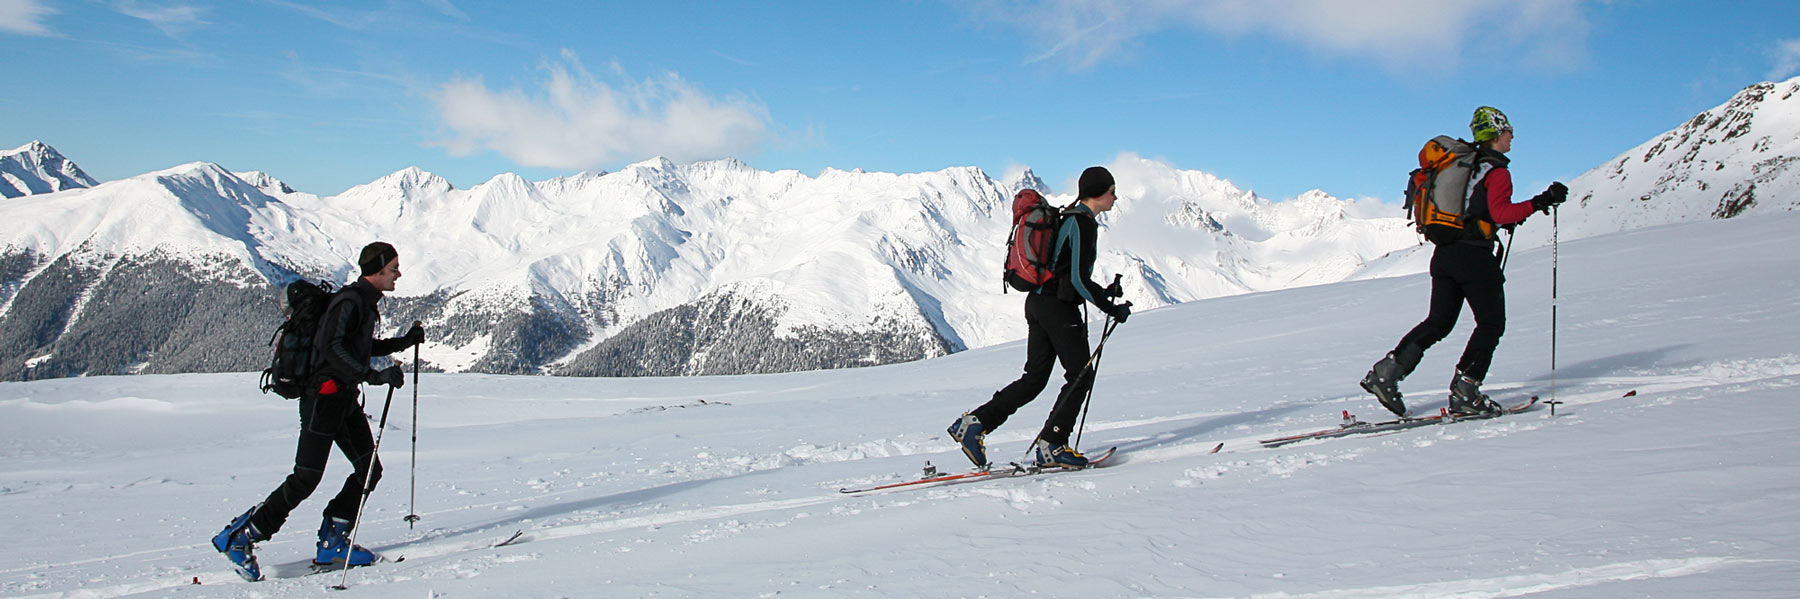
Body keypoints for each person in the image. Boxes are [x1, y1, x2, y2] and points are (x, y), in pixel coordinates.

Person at [212, 242, 424, 582]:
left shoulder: (363, 303)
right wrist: (373, 375)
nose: (399, 273)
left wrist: (404, 342)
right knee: (306, 478)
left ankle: (332, 542)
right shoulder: (350, 302)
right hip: (322, 400)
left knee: (368, 470)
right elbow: (332, 348)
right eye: (394, 268)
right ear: (377, 270)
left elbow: (359, 346)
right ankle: (241, 538)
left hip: (342, 400)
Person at [1361, 106, 1567, 417]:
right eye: (1509, 130)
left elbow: (1478, 212)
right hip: (1474, 257)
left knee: (1439, 322)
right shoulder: (1496, 171)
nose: (1513, 136)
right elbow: (1500, 213)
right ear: (1497, 134)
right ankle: (1466, 390)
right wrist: (1540, 202)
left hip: (1445, 254)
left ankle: (1385, 373)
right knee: (1491, 323)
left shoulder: (1463, 167)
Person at [949, 166, 1132, 470]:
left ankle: (973, 425)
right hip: (1058, 308)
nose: (1115, 197)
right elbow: (1075, 277)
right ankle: (1053, 444)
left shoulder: (1071, 218)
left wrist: (1103, 291)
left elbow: (1066, 271)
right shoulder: (1082, 223)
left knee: (1034, 379)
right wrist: (1112, 308)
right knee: (1080, 374)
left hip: (1039, 302)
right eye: (1112, 191)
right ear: (1098, 193)